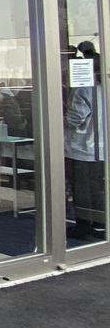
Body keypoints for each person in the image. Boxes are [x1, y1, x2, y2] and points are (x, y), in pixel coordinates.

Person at [64, 41, 105, 240]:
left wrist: (60, 117)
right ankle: (100, 224)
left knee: (81, 189)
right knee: (97, 187)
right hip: (101, 147)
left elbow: (75, 118)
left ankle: (83, 227)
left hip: (81, 148)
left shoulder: (85, 89)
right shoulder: (104, 87)